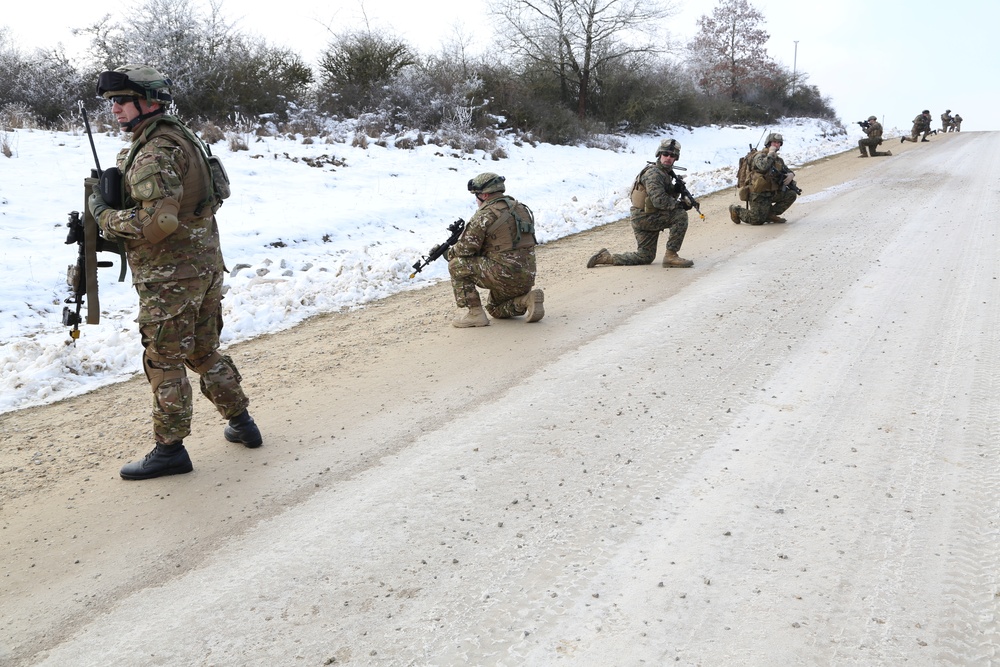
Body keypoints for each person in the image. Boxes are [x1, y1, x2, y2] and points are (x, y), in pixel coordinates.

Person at [87, 64, 262, 480]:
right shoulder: (183, 137)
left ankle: (170, 451)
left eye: (121, 102)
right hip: (202, 266)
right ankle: (243, 423)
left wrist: (105, 215)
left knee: (164, 360)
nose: (114, 110)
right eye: (112, 102)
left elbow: (156, 225)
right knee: (202, 349)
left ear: (148, 101)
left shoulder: (154, 153)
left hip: (171, 278)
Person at [447, 172, 544, 327]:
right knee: (495, 309)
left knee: (456, 265)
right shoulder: (519, 208)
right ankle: (526, 299)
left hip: (503, 273)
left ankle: (475, 314)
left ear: (484, 195)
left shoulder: (484, 215)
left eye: (476, 195)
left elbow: (464, 250)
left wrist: (448, 253)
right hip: (526, 275)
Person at [587, 138, 694, 269]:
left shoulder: (663, 173)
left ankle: (605, 258)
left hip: (642, 216)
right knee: (680, 215)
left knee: (645, 256)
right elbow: (659, 200)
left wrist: (675, 190)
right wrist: (680, 205)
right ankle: (671, 256)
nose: (668, 158)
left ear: (676, 158)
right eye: (665, 154)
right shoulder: (654, 174)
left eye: (672, 156)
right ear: (659, 155)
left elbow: (659, 195)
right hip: (646, 217)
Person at [728, 133, 798, 225]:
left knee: (791, 194)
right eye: (774, 142)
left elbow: (786, 170)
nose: (776, 145)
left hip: (772, 193)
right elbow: (763, 166)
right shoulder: (759, 156)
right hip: (758, 194)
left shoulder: (778, 160)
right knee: (756, 220)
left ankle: (770, 214)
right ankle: (735, 210)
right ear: (768, 143)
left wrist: (791, 174)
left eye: (778, 143)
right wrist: (770, 154)